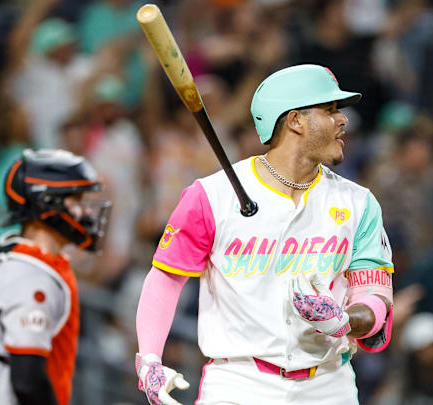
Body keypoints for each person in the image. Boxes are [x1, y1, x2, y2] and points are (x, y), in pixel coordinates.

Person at [134, 64, 394, 404]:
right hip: (238, 383)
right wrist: (150, 359)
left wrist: (343, 321)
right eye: (330, 110)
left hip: (329, 384)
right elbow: (166, 279)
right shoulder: (211, 196)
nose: (342, 120)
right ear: (295, 120)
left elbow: (377, 301)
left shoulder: (359, 203)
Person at [0, 149, 111, 405]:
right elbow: (26, 381)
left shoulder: (32, 262)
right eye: (76, 200)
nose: (85, 212)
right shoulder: (32, 277)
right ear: (47, 203)